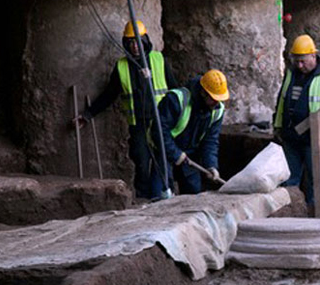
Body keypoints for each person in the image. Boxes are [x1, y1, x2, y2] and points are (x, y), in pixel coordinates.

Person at [74, 20, 178, 200]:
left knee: (163, 163)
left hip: (160, 123)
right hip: (138, 125)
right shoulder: (122, 66)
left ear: (145, 40)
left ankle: (163, 199)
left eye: (137, 41)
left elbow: (175, 90)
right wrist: (88, 114)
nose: (135, 46)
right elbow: (109, 95)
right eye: (130, 42)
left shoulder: (158, 60)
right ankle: (143, 201)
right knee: (141, 164)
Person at [273, 34, 320, 207]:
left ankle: (315, 214)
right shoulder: (291, 74)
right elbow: (282, 100)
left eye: (303, 61)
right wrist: (278, 126)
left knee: (315, 181)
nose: (300, 65)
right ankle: (291, 213)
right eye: (296, 61)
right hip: (291, 136)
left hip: (314, 138)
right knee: (290, 178)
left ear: (313, 55)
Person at [151, 69, 228, 195]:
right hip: (165, 151)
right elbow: (159, 132)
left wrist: (211, 165)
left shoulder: (217, 110)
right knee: (161, 194)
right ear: (203, 93)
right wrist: (176, 154)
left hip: (191, 154)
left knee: (193, 193)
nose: (216, 103)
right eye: (214, 98)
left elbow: (210, 141)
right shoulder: (176, 100)